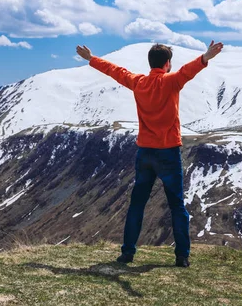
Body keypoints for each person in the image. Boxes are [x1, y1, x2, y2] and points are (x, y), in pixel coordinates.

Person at [75, 41, 224, 267]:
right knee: (177, 206)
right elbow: (187, 71)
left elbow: (116, 71)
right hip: (169, 153)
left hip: (145, 152)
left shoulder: (139, 83)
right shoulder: (171, 82)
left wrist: (91, 58)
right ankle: (182, 256)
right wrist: (206, 57)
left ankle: (127, 253)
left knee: (137, 204)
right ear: (166, 64)